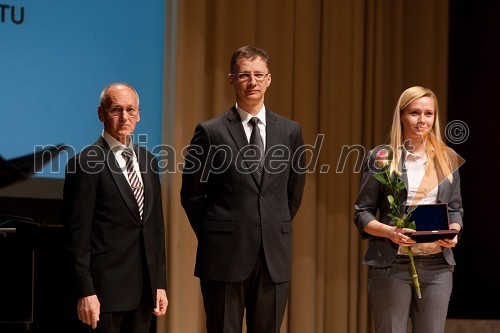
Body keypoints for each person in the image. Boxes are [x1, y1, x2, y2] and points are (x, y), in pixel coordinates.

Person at [181, 46, 306, 333]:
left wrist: (270, 226)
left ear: (269, 79)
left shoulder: (290, 131)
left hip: (273, 256)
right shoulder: (210, 131)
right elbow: (192, 195)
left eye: (259, 75)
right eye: (245, 75)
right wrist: (219, 233)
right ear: (232, 79)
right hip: (224, 257)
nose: (252, 82)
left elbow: (293, 192)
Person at [354, 86, 464, 333]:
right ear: (402, 115)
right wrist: (389, 231)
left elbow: (456, 210)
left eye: (428, 114)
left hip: (437, 266)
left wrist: (453, 231)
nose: (422, 120)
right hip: (393, 264)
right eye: (415, 112)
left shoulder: (447, 158)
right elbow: (362, 212)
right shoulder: (382, 157)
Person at [64, 83, 168, 332]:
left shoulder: (148, 160)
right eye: (116, 110)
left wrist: (159, 284)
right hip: (104, 294)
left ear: (139, 114)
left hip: (144, 293)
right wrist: (85, 291)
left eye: (131, 110)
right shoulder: (85, 163)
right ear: (101, 113)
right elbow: (76, 237)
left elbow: (155, 229)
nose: (125, 117)